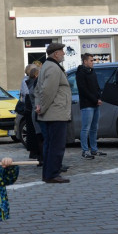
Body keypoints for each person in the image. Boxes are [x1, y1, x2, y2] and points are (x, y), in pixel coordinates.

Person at [35, 42, 72, 182]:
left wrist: (39, 105)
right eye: (62, 51)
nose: (63, 53)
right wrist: (42, 107)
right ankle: (53, 174)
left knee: (50, 145)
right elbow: (47, 91)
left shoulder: (47, 66)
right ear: (56, 53)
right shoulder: (53, 68)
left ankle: (48, 173)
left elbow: (39, 90)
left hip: (53, 112)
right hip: (55, 112)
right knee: (56, 146)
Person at [76, 53, 103, 160]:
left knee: (94, 128)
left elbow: (96, 86)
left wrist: (99, 97)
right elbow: (83, 90)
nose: (93, 62)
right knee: (85, 128)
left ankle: (94, 149)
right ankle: (85, 150)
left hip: (96, 103)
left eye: (93, 60)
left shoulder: (92, 72)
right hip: (87, 104)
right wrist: (95, 99)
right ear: (85, 61)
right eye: (91, 60)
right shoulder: (80, 73)